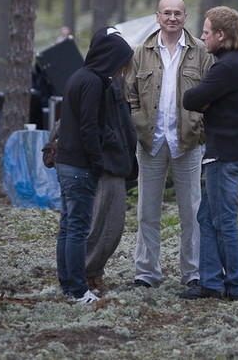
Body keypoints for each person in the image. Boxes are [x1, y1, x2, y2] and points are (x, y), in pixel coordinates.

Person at [128, 0, 213, 289]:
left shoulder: (201, 51)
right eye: (167, 13)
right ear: (157, 16)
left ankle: (193, 273)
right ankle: (146, 273)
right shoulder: (141, 52)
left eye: (178, 13)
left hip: (188, 142)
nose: (172, 18)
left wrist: (199, 128)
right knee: (147, 213)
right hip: (150, 142)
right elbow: (131, 94)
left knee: (191, 212)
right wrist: (138, 122)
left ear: (186, 17)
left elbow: (211, 93)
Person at [179, 6, 238, 301]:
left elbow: (191, 98)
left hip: (226, 156)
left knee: (224, 221)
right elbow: (203, 101)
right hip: (232, 153)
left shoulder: (227, 67)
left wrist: (203, 100)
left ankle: (235, 287)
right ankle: (211, 282)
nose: (201, 38)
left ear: (221, 35)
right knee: (206, 217)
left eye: (206, 32)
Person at [56, 27, 134, 303]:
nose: (119, 71)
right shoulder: (92, 82)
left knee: (68, 227)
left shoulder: (79, 77)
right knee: (77, 229)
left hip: (67, 163)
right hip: (79, 167)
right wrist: (97, 163)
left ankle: (67, 284)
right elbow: (90, 127)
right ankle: (78, 290)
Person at [85, 53, 136, 295]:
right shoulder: (101, 84)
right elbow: (96, 124)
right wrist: (115, 142)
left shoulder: (119, 83)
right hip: (108, 164)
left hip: (119, 163)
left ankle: (95, 272)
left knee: (113, 225)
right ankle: (85, 272)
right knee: (101, 224)